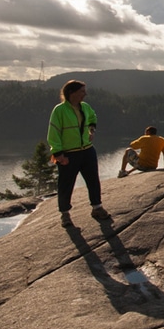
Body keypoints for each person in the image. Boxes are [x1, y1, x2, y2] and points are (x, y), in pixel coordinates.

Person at [47, 80, 110, 227]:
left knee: (93, 180)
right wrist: (58, 154)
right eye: (82, 91)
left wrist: (92, 129)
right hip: (69, 154)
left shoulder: (85, 107)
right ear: (72, 92)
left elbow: (93, 117)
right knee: (66, 184)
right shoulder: (59, 110)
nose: (85, 94)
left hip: (87, 150)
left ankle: (97, 207)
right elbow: (53, 133)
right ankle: (65, 214)